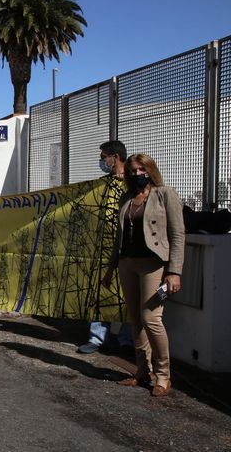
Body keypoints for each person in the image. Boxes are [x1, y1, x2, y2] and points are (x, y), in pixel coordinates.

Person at [103, 153, 184, 397]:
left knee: (151, 318)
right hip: (128, 263)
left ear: (150, 170)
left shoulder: (164, 194)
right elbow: (120, 238)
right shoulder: (127, 198)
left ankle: (163, 376)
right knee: (135, 320)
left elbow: (178, 235)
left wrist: (174, 272)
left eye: (141, 170)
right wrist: (110, 268)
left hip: (154, 265)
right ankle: (142, 371)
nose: (137, 174)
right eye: (133, 171)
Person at [78, 140, 134, 355]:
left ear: (115, 157)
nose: (102, 161)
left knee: (128, 295)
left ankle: (126, 340)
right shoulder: (104, 184)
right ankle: (97, 337)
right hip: (104, 246)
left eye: (104, 157)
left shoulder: (132, 183)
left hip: (128, 247)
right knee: (101, 293)